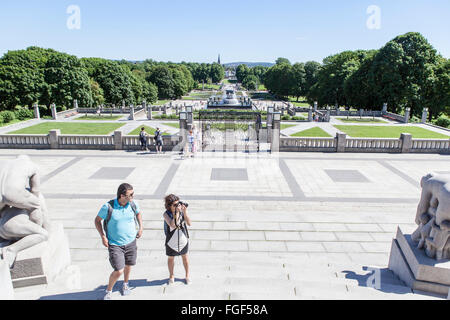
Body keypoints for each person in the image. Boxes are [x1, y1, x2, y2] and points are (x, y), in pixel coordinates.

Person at [94, 183, 143, 300]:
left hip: (131, 241)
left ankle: (125, 284)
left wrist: (141, 227)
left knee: (128, 264)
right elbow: (97, 220)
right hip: (115, 244)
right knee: (118, 270)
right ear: (122, 195)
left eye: (133, 194)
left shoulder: (133, 204)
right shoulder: (108, 207)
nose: (133, 196)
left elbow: (138, 214)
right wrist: (103, 236)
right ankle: (108, 290)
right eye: (131, 195)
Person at [163, 194, 191, 285]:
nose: (177, 206)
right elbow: (172, 225)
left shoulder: (181, 211)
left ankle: (187, 275)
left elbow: (189, 223)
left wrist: (185, 212)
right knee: (171, 258)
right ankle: (171, 275)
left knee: (185, 257)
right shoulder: (166, 214)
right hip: (171, 241)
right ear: (169, 206)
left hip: (182, 240)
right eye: (174, 205)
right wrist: (177, 213)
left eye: (178, 203)